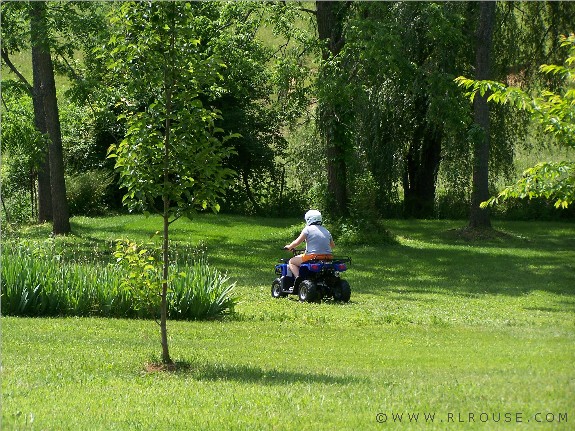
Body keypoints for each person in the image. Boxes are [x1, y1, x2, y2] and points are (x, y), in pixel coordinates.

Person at [284, 210, 335, 280]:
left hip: (312, 257)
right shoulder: (326, 231)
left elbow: (297, 242)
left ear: (308, 219)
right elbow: (332, 245)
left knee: (291, 261)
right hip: (328, 258)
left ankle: (298, 278)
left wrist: (289, 247)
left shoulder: (307, 229)